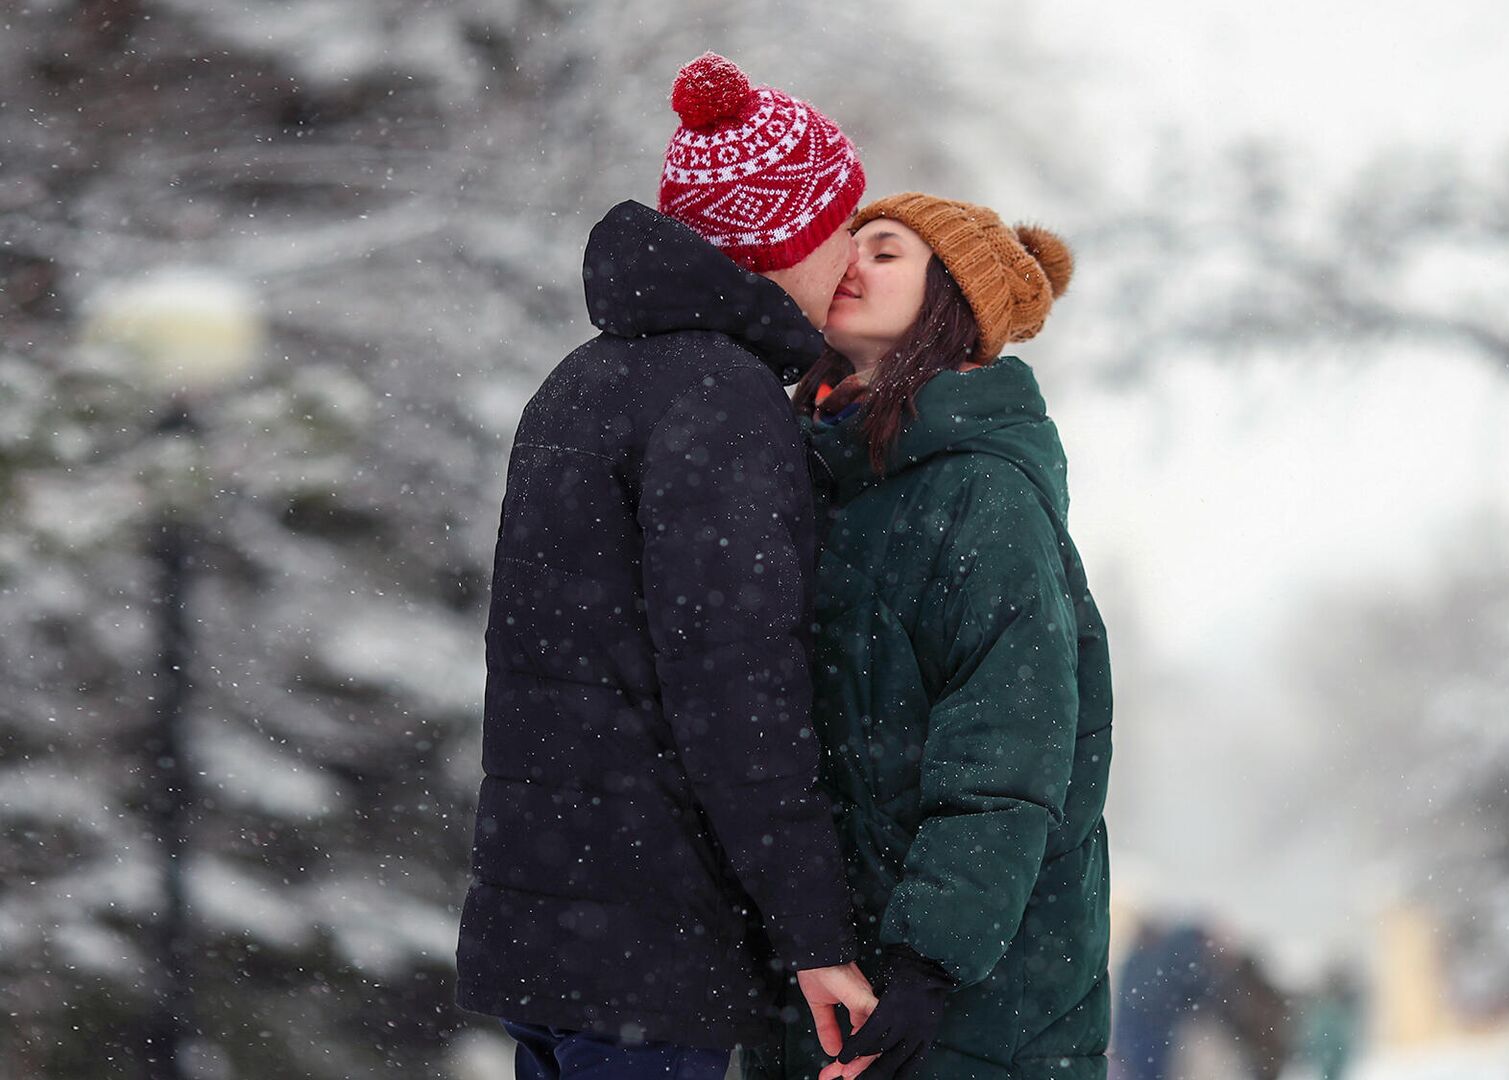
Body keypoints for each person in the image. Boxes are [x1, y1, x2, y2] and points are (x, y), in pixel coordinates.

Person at [455, 53, 895, 1080]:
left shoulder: (581, 383)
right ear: (782, 236)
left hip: (557, 929)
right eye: (841, 226)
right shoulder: (723, 402)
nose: (852, 259)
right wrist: (816, 936)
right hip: (649, 942)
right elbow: (738, 691)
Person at [747, 194, 1114, 1080]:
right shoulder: (822, 471)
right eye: (848, 246)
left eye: (886, 252)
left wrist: (929, 961)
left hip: (969, 993)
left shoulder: (981, 493)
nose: (852, 264)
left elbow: (1009, 744)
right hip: (834, 967)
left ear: (953, 300)